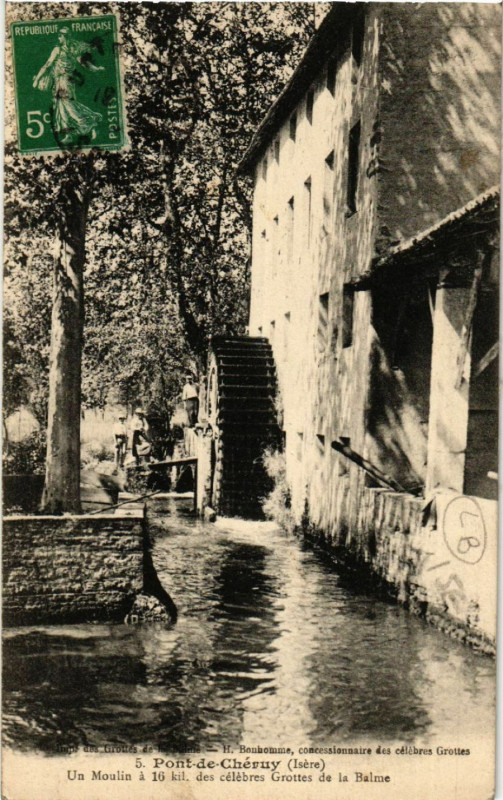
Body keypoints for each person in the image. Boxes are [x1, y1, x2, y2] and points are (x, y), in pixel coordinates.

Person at [33, 27, 104, 144]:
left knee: (68, 104)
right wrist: (96, 69)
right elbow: (48, 65)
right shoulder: (64, 49)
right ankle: (68, 134)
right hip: (59, 81)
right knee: (60, 107)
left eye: (61, 36)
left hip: (65, 80)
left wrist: (37, 80)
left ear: (64, 37)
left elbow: (48, 65)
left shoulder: (65, 50)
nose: (59, 38)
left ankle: (90, 122)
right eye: (59, 36)